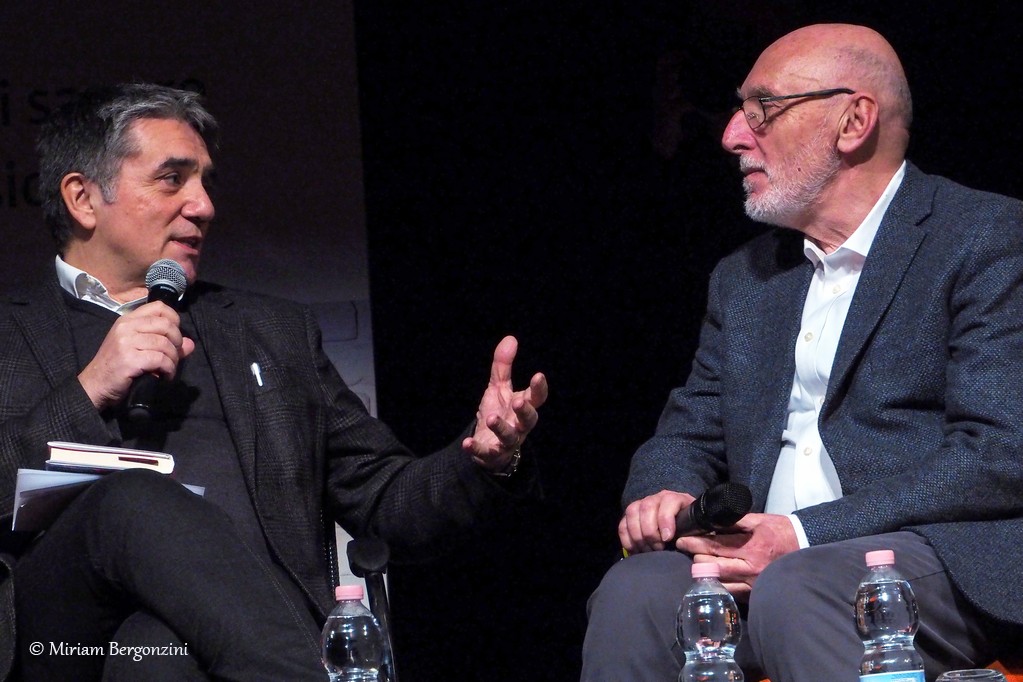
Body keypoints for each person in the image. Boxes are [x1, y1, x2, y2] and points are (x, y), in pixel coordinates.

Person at [0, 83, 548, 681]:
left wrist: (484, 460)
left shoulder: (270, 333)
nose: (203, 205)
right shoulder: (9, 335)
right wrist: (89, 389)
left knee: (155, 652)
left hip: (212, 649)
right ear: (82, 198)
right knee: (131, 499)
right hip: (64, 645)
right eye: (172, 179)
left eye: (205, 182)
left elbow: (385, 501)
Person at [583, 23, 1023, 681]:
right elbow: (687, 432)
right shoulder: (745, 278)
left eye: (762, 109)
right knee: (635, 592)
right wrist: (664, 492)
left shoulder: (985, 238)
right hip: (766, 562)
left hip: (938, 556)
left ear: (853, 121)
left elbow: (999, 453)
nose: (733, 135)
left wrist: (803, 534)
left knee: (800, 590)